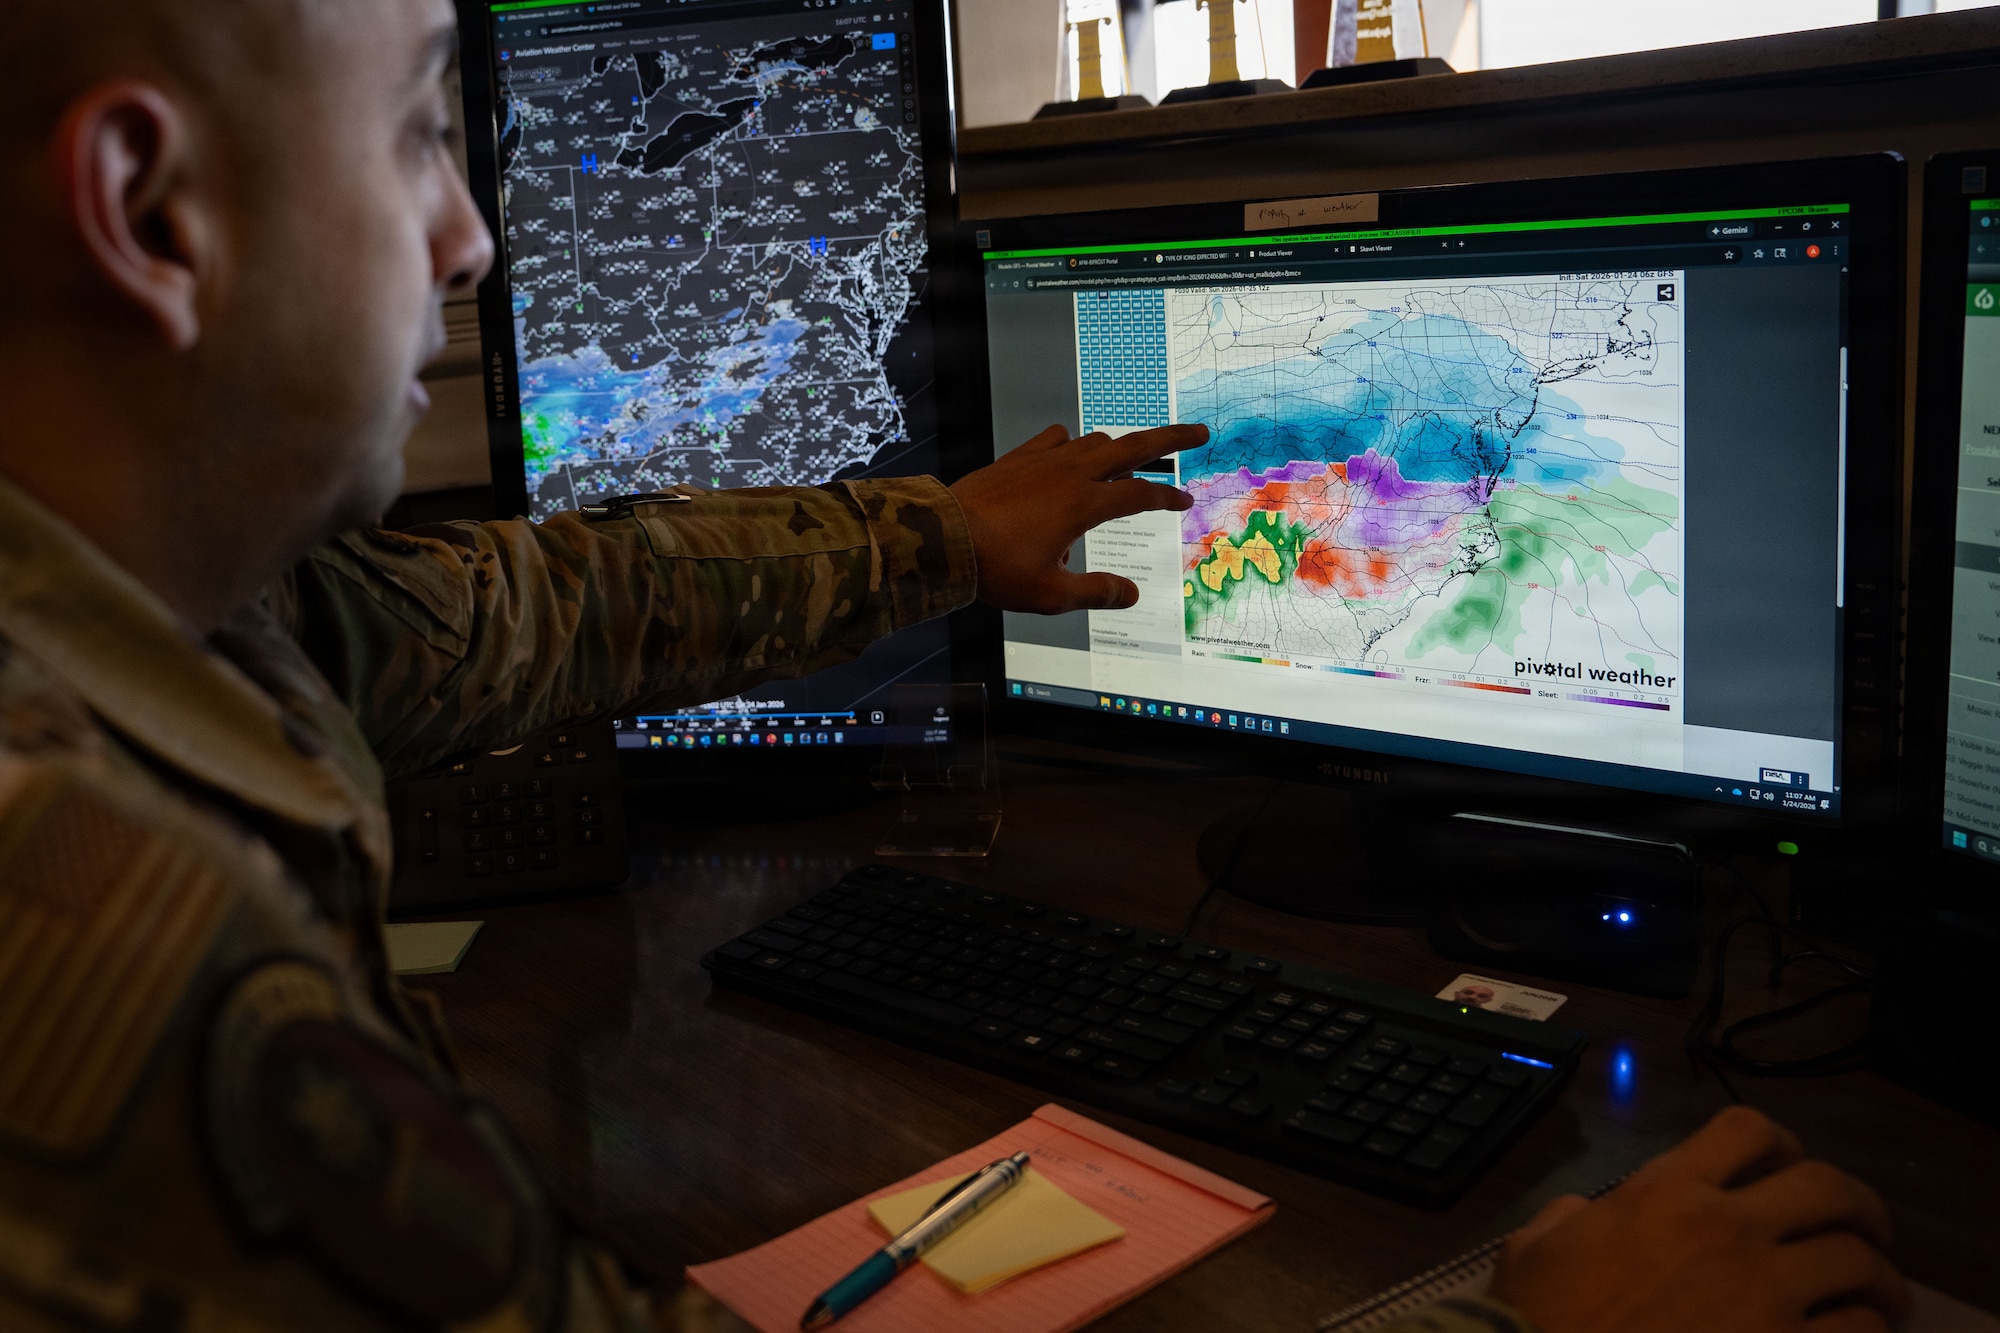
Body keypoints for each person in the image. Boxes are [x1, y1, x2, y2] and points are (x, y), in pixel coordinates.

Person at [0, 2, 1911, 1330]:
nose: (473, 238)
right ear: (152, 211)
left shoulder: (176, 618)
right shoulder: (119, 948)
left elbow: (545, 607)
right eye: (420, 126)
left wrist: (939, 534)